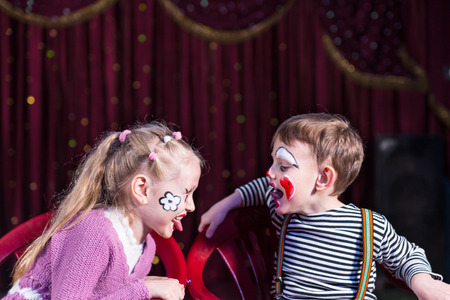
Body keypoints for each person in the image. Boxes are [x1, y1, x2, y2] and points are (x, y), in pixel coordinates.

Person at [199, 113, 450, 299]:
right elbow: (259, 188)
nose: (270, 173)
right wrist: (225, 204)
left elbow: (407, 256)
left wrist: (423, 283)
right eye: (273, 162)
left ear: (323, 178)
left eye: (283, 166)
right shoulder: (282, 212)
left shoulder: (368, 226)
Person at [4, 122, 205, 300]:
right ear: (142, 189)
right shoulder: (95, 233)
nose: (191, 206)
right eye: (186, 194)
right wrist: (142, 289)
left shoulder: (146, 247)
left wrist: (140, 288)